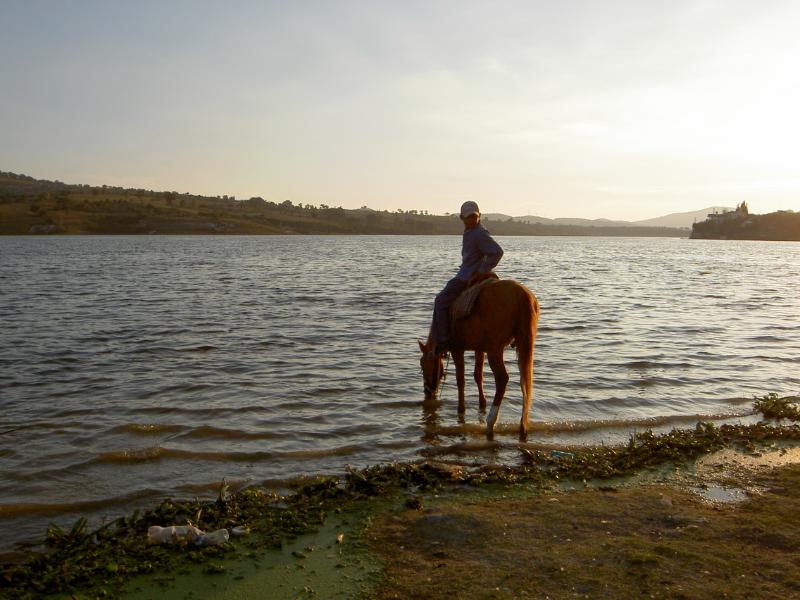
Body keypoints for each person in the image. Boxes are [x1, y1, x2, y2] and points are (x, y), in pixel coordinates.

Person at [430, 201, 504, 356]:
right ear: (462, 218)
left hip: (466, 277)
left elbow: (497, 252)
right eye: (468, 217)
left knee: (441, 301)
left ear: (479, 216)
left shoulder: (478, 233)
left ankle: (443, 341)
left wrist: (481, 270)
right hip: (468, 271)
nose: (471, 220)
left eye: (474, 217)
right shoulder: (472, 231)